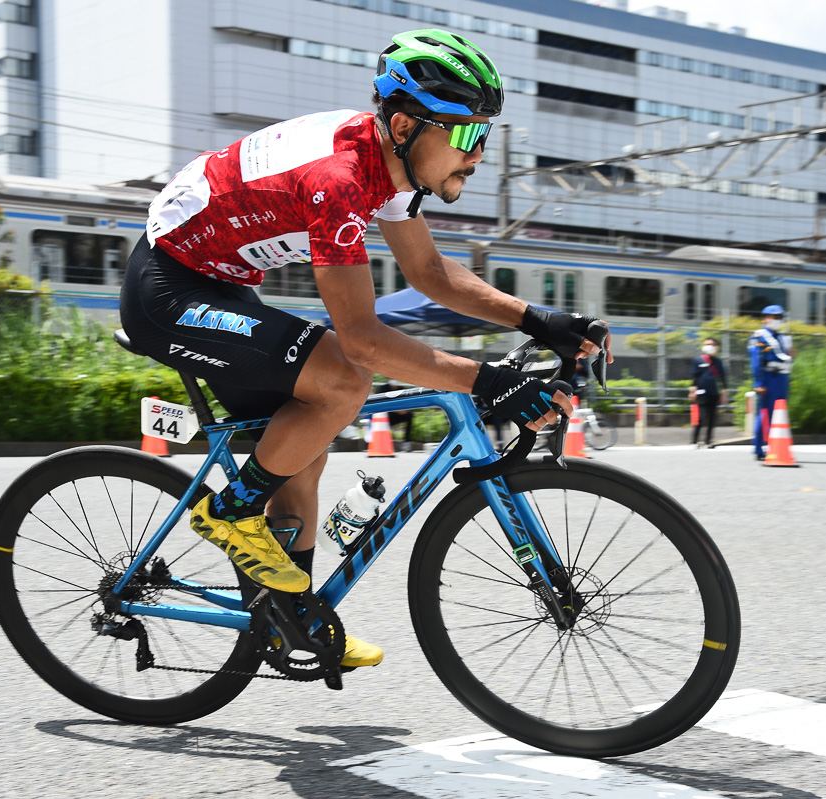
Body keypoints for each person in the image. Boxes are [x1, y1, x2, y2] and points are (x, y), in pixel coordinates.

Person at [119, 28, 611, 669]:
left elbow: (431, 274)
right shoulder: (341, 179)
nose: (479, 153)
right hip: (168, 290)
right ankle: (232, 513)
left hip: (225, 284)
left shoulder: (393, 166)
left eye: (486, 136)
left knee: (304, 454)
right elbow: (363, 338)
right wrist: (487, 381)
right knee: (344, 376)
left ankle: (290, 619)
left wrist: (540, 319)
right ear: (406, 125)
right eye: (466, 135)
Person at [748, 305, 795, 460]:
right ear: (764, 319)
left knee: (779, 414)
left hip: (782, 378)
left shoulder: (782, 337)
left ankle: (774, 445)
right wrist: (759, 382)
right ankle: (758, 448)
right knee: (765, 412)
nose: (776, 320)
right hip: (769, 377)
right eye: (773, 317)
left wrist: (792, 355)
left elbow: (786, 358)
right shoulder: (759, 336)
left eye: (779, 318)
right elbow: (756, 361)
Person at [689, 337, 728, 448]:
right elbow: (694, 378)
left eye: (711, 344)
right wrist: (692, 391)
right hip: (701, 393)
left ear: (716, 347)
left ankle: (708, 440)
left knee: (712, 418)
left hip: (714, 393)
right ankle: (694, 440)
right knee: (700, 417)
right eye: (706, 344)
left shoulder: (718, 362)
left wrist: (724, 393)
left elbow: (723, 379)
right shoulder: (698, 360)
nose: (708, 346)